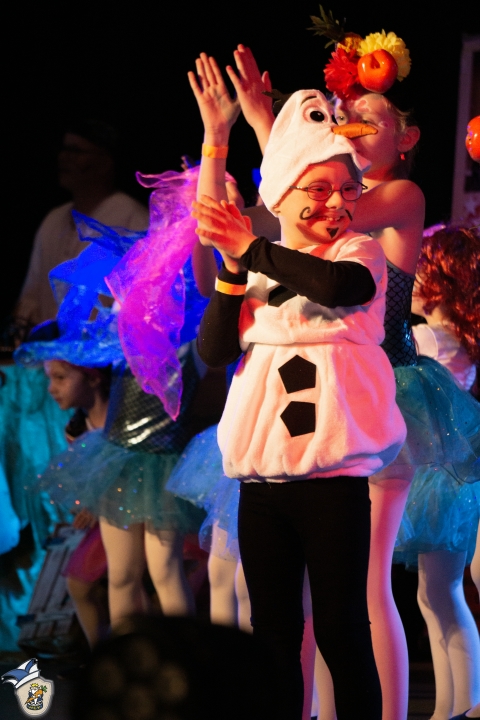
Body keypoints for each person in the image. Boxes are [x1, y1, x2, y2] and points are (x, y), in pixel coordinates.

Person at [221, 38, 480, 720]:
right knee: (294, 606)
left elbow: (301, 206)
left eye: (365, 120)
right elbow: (291, 205)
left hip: (379, 398)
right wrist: (261, 130)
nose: (348, 125)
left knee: (363, 595)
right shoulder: (327, 192)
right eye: (341, 116)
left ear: (408, 137)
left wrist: (272, 134)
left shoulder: (395, 197)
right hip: (309, 400)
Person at [190, 53, 407, 717]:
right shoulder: (257, 266)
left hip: (332, 482)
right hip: (264, 486)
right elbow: (213, 350)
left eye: (347, 190)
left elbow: (338, 287)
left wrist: (251, 248)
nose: (336, 203)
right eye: (318, 190)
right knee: (274, 634)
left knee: (341, 627)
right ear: (281, 196)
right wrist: (234, 268)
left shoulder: (357, 254)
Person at [394, 225, 480, 720]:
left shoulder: (428, 339)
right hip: (445, 479)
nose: (412, 277)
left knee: (442, 595)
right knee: (435, 595)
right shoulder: (453, 337)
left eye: (421, 269)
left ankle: (462, 703)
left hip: (441, 480)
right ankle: (449, 705)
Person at [15, 119, 149, 327]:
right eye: (64, 149)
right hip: (46, 345)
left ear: (105, 162)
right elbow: (30, 297)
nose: (64, 158)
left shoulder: (133, 219)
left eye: (76, 151)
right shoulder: (53, 220)